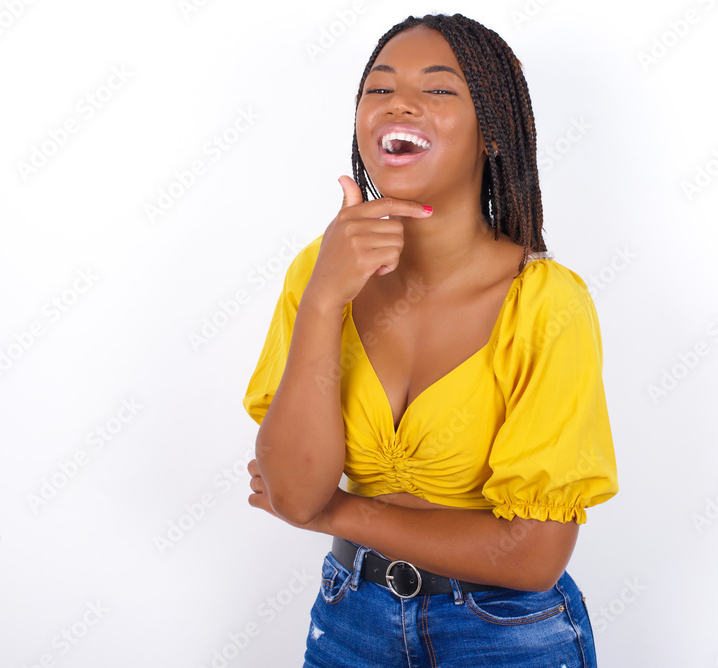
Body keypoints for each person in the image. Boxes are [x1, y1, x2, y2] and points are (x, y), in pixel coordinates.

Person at [242, 13, 618, 667]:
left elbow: (532, 555)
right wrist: (328, 296)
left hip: (504, 634)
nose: (399, 104)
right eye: (379, 89)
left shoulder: (548, 303)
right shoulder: (320, 271)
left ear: (493, 133)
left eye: (440, 90)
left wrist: (333, 512)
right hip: (349, 622)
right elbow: (292, 485)